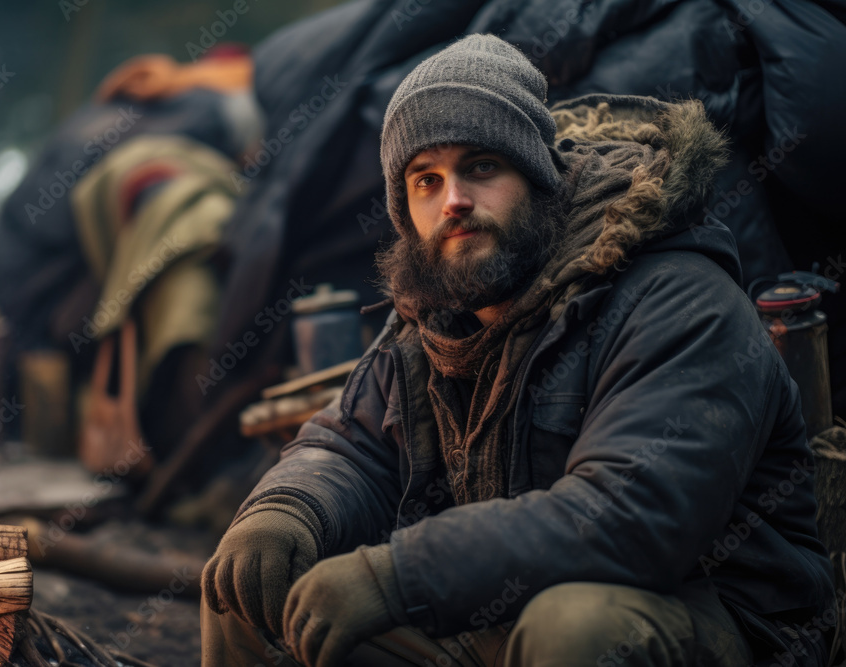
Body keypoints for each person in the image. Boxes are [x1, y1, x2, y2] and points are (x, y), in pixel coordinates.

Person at [200, 34, 836, 667]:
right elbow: (353, 446)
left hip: (708, 623)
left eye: (480, 167)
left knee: (575, 628)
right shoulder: (438, 316)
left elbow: (631, 518)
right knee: (251, 595)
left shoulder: (677, 298)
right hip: (498, 617)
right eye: (426, 179)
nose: (453, 201)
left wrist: (397, 579)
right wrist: (286, 510)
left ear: (538, 175)